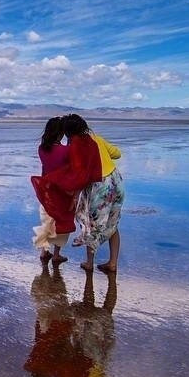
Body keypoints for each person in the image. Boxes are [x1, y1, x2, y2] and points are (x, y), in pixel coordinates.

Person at [62, 114, 125, 273]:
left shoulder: (77, 146)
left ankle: (89, 263)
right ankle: (113, 263)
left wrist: (74, 195)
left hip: (99, 186)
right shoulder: (97, 139)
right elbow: (117, 153)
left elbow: (80, 174)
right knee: (113, 223)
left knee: (91, 224)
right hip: (115, 181)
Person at [31, 117, 74, 265]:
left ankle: (44, 251)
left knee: (47, 219)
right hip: (62, 190)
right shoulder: (66, 150)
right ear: (60, 133)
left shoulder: (42, 148)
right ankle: (56, 254)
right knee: (62, 221)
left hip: (46, 188)